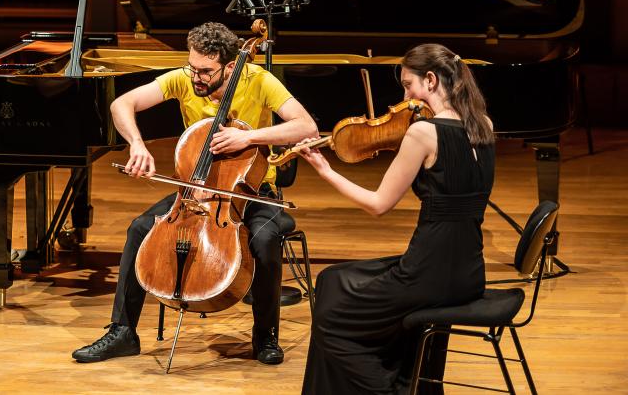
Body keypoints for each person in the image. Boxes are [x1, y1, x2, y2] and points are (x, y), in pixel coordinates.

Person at [71, 22, 318, 365]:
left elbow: (306, 126)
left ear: (231, 67)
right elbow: (121, 104)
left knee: (264, 239)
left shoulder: (259, 81)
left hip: (254, 190)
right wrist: (137, 145)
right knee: (140, 228)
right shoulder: (183, 79)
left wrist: (250, 137)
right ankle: (122, 331)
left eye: (205, 71)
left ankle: (265, 336)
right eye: (192, 67)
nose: (196, 77)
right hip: (196, 190)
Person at [299, 43, 496, 394]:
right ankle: (415, 382)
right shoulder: (484, 125)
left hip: (428, 274)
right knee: (332, 278)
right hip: (469, 273)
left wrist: (325, 171)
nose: (404, 95)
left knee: (329, 319)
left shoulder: (423, 133)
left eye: (408, 85)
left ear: (431, 80)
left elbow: (378, 204)